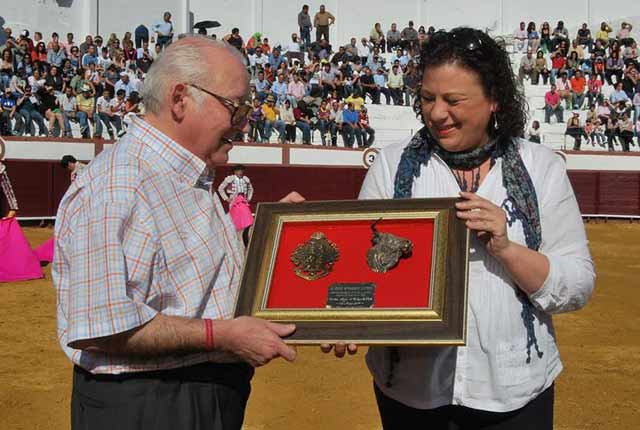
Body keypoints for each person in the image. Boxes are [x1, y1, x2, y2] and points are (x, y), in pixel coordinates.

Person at [325, 27, 595, 430]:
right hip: (412, 388)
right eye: (428, 98)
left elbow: (577, 283)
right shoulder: (392, 164)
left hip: (515, 388)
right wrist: (346, 315)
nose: (436, 113)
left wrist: (506, 248)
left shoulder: (540, 167)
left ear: (493, 101)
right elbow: (362, 268)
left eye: (453, 100)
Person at [53, 36, 301, 430]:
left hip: (193, 392)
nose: (244, 121)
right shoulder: (120, 183)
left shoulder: (183, 174)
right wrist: (222, 336)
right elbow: (102, 326)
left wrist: (266, 236)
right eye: (235, 107)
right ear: (181, 99)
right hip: (149, 403)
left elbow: (187, 273)